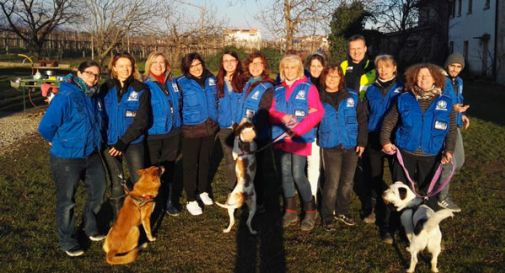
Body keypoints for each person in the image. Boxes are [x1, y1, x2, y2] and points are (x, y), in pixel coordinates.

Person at [38, 60, 106, 257]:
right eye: (89, 74)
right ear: (78, 73)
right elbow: (45, 127)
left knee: (99, 191)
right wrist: (57, 141)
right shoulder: (66, 96)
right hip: (67, 157)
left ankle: (90, 226)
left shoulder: (93, 95)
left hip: (91, 153)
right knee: (67, 200)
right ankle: (68, 239)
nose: (93, 78)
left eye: (97, 75)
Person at [381, 64, 456, 198]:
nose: (423, 78)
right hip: (405, 153)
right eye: (420, 75)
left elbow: (451, 129)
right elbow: (389, 121)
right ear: (414, 79)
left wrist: (449, 150)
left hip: (431, 154)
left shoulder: (446, 102)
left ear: (435, 79)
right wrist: (385, 141)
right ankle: (399, 218)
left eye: (427, 75)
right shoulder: (403, 98)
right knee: (400, 193)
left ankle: (424, 217)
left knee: (428, 194)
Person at [270, 54, 324, 231]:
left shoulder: (308, 87)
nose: (289, 71)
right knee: (285, 174)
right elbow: (271, 111)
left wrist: (296, 130)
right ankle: (290, 210)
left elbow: (317, 113)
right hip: (281, 137)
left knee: (297, 174)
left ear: (299, 69)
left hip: (300, 138)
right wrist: (283, 117)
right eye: (286, 67)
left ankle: (310, 210)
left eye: (292, 67)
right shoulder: (277, 89)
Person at [100, 52, 150, 218]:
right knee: (116, 183)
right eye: (121, 66)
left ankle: (139, 219)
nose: (125, 69)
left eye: (128, 66)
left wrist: (123, 142)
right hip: (110, 144)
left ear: (133, 68)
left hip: (133, 143)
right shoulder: (105, 88)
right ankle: (119, 220)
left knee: (138, 182)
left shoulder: (141, 89)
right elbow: (98, 115)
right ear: (114, 68)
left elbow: (142, 120)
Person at [318, 64, 367, 230]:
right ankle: (327, 215)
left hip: (351, 145)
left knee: (347, 182)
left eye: (336, 76)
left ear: (341, 78)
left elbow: (362, 119)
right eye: (329, 76)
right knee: (331, 183)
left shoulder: (352, 96)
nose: (332, 79)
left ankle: (342, 211)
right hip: (330, 145)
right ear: (324, 78)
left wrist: (361, 141)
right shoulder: (318, 98)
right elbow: (310, 120)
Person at [362, 54, 403, 243]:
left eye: (387, 66)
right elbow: (364, 115)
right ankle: (372, 208)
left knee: (398, 179)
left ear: (394, 68)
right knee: (374, 176)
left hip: (395, 139)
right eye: (380, 67)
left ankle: (392, 220)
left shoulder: (403, 89)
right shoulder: (370, 89)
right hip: (373, 138)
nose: (383, 70)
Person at [177, 52, 219, 216]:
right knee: (190, 164)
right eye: (192, 66)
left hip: (209, 127)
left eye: (198, 64)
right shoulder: (181, 83)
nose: (196, 68)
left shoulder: (211, 79)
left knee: (205, 161)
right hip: (191, 129)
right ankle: (191, 198)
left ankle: (202, 190)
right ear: (187, 68)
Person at [340, 34, 376, 220]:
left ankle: (369, 205)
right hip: (348, 121)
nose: (355, 51)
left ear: (365, 48)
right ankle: (341, 198)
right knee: (351, 161)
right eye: (352, 48)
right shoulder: (343, 67)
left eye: (359, 48)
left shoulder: (375, 67)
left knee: (368, 165)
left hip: (369, 121)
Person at [143, 52, 182, 216]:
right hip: (153, 134)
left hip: (173, 133)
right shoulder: (145, 85)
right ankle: (152, 203)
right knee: (152, 172)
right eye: (154, 63)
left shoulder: (173, 83)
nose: (159, 66)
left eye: (161, 62)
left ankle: (169, 201)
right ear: (149, 66)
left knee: (169, 169)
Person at [241, 51, 275, 209]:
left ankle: (259, 201)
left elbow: (264, 112)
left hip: (258, 135)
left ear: (264, 66)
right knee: (247, 167)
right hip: (245, 132)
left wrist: (253, 131)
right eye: (252, 63)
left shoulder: (268, 86)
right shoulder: (249, 83)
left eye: (259, 63)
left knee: (258, 169)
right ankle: (248, 196)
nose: (255, 67)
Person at [437, 53, 469, 212]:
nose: (455, 69)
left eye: (458, 66)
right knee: (449, 163)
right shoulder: (441, 80)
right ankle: (442, 198)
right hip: (443, 126)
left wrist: (461, 114)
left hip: (455, 125)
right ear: (446, 65)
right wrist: (452, 109)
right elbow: (437, 103)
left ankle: (437, 181)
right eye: (452, 65)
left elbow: (458, 100)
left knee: (460, 161)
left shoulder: (459, 81)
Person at [216, 50, 246, 191]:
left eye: (232, 60)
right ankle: (233, 190)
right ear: (222, 64)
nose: (229, 63)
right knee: (229, 161)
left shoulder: (245, 80)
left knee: (243, 160)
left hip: (241, 126)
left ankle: (247, 190)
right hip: (225, 127)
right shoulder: (217, 82)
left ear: (237, 62)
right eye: (225, 61)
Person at [305, 52, 326, 201]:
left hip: (326, 129)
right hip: (310, 130)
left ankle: (323, 192)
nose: (316, 69)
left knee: (325, 167)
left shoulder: (329, 83)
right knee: (313, 165)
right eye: (313, 65)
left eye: (319, 66)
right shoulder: (304, 84)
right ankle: (312, 196)